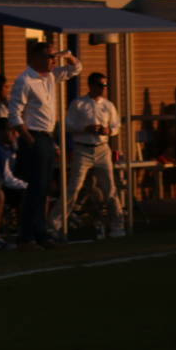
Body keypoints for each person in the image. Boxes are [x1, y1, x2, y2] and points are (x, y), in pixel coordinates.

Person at [7, 39, 80, 246]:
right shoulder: (25, 80)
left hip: (47, 137)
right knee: (36, 188)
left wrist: (66, 55)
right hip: (34, 137)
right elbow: (14, 114)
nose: (53, 61)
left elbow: (76, 68)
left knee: (44, 187)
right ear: (36, 57)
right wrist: (28, 138)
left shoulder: (49, 77)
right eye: (49, 57)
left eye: (54, 57)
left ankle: (35, 232)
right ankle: (31, 234)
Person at [66, 71, 123, 239]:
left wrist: (108, 131)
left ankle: (117, 224)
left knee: (110, 188)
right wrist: (86, 128)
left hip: (102, 148)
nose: (103, 89)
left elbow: (116, 125)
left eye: (105, 85)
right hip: (82, 149)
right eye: (100, 85)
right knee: (74, 187)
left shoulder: (109, 105)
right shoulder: (78, 104)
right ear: (91, 85)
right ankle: (58, 224)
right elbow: (68, 125)